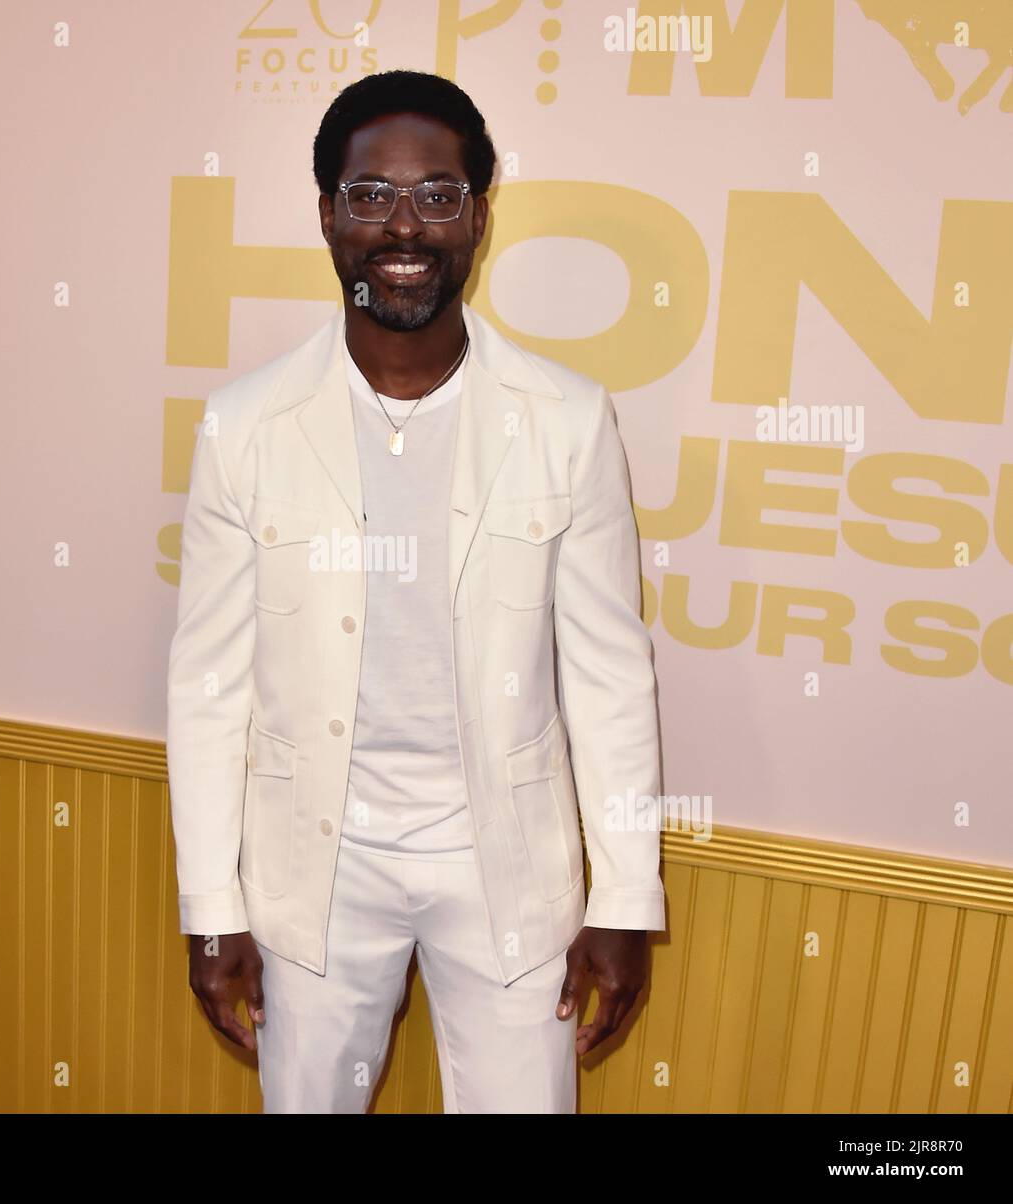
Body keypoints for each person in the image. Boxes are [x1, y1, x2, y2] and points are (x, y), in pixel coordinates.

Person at [166, 68, 666, 1114]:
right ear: (326, 215)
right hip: (316, 863)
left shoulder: (568, 420)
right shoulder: (246, 425)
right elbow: (209, 688)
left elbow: (610, 677)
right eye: (370, 194)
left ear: (480, 216)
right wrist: (212, 905)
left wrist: (623, 894)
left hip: (507, 862)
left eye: (438, 195)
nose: (404, 225)